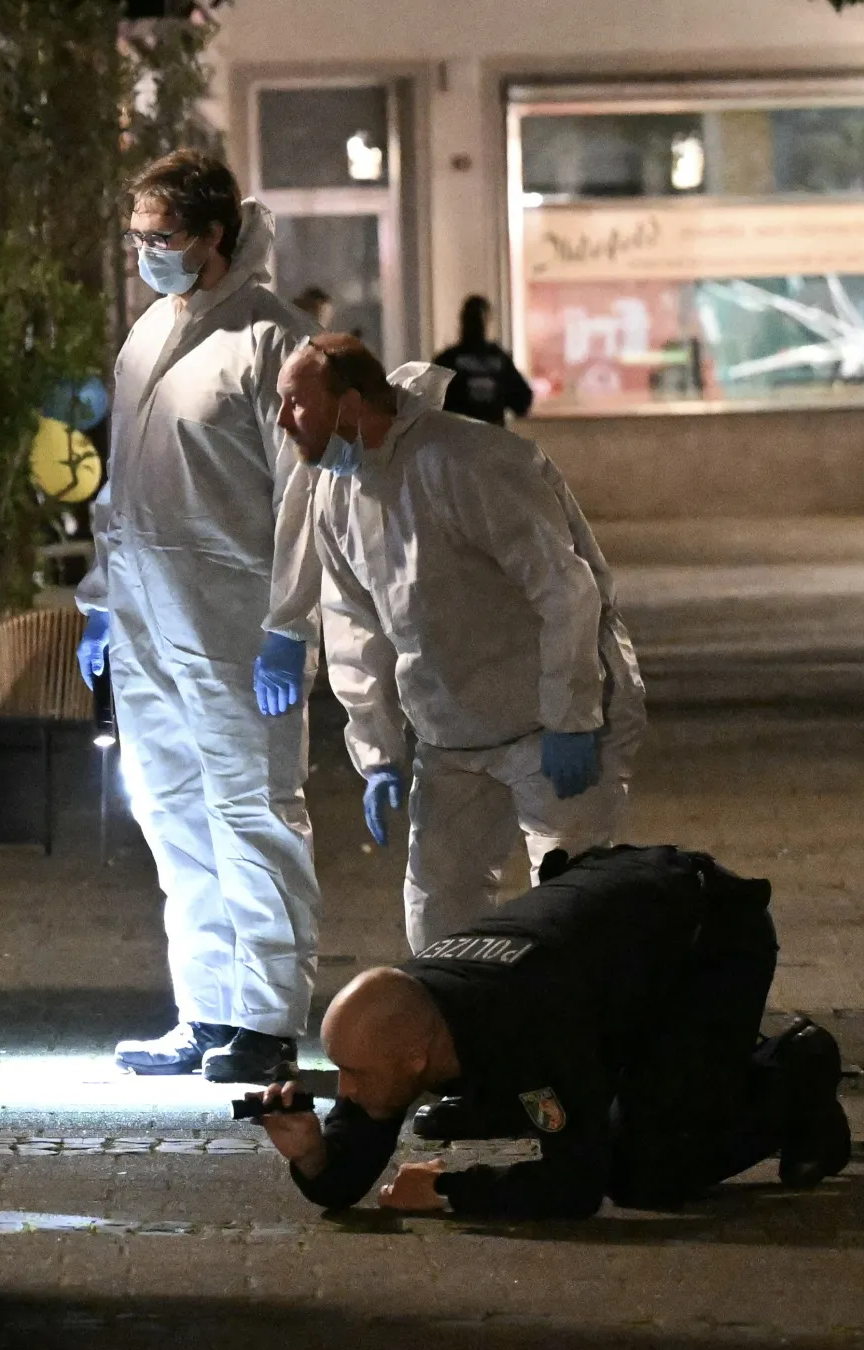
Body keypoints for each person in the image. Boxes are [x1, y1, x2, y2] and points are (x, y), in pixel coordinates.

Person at [276, 334, 645, 954]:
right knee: (439, 916)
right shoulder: (338, 496)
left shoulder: (467, 462)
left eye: (296, 402)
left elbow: (565, 590)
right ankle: (466, 1040)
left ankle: (583, 1044)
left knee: (573, 907)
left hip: (543, 726)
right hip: (452, 737)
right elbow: (355, 628)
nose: (284, 420)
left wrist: (571, 714)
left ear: (352, 400)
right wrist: (379, 751)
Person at [76, 150, 320, 1085]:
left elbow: (305, 498)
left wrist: (289, 622)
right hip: (145, 621)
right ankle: (207, 1007)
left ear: (214, 236)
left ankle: (266, 1016)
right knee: (175, 815)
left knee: (253, 811)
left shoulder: (271, 343)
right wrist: (101, 603)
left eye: (161, 238)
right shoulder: (146, 337)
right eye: (136, 238)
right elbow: (122, 484)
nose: (146, 254)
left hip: (231, 620)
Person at [248, 845, 853, 1219]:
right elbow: (359, 1142)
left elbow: (577, 1184)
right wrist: (315, 1158)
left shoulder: (524, 1029)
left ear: (414, 1059)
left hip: (707, 940)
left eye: (354, 1075)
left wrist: (454, 1191)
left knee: (645, 1172)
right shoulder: (409, 1015)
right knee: (614, 1112)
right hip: (618, 938)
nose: (342, 1090)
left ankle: (797, 1067)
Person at [432, 295, 533, 426]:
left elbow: (522, 400)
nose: (477, 324)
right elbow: (522, 402)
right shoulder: (447, 360)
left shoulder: (447, 360)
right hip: (468, 437)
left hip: (474, 437)